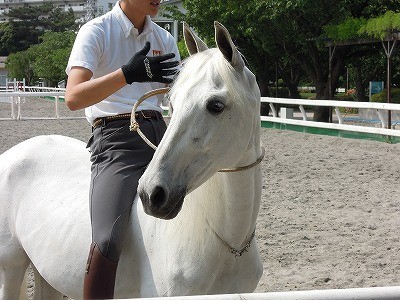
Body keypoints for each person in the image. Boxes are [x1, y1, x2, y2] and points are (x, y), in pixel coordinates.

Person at [65, 0, 180, 298]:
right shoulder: (96, 31)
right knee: (108, 237)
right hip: (117, 138)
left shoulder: (165, 39)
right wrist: (126, 74)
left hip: (161, 135)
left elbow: (178, 97)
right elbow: (74, 97)